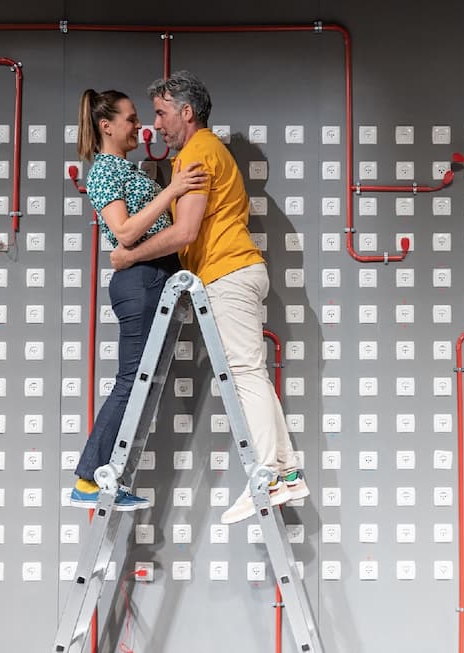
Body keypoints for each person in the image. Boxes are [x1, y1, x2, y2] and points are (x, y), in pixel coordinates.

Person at [109, 71, 309, 524]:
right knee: (250, 374)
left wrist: (129, 255)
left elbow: (185, 232)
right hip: (234, 271)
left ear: (186, 112)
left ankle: (269, 477)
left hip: (228, 273)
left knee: (244, 375)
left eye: (161, 113)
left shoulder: (197, 152)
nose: (155, 125)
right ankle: (284, 473)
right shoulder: (207, 150)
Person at [70, 88, 207, 510]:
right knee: (131, 381)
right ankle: (88, 480)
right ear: (106, 126)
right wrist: (173, 189)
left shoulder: (126, 170)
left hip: (153, 278)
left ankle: (106, 479)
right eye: (130, 119)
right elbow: (125, 232)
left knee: (140, 383)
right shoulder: (104, 170)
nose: (139, 125)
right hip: (140, 280)